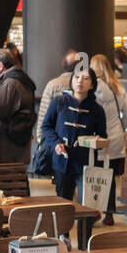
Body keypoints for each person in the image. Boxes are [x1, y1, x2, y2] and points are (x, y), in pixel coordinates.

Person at [42, 63, 108, 208]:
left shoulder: (97, 110)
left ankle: (85, 231)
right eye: (77, 77)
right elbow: (46, 126)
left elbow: (102, 135)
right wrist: (56, 143)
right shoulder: (59, 102)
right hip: (62, 159)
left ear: (92, 85)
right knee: (63, 204)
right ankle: (62, 231)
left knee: (86, 204)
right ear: (71, 80)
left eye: (85, 79)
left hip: (86, 162)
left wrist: (97, 141)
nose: (80, 81)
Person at [90, 53, 127, 225]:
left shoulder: (94, 89)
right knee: (110, 176)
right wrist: (120, 127)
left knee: (95, 175)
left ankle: (94, 210)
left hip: (98, 138)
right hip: (116, 137)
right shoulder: (119, 87)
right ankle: (109, 213)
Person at [0, 48, 37, 164]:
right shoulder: (20, 78)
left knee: (10, 177)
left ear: (0, 66)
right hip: (18, 141)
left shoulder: (10, 83)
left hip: (8, 144)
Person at [32, 49, 83, 177]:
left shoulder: (53, 85)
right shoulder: (85, 86)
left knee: (61, 179)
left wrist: (41, 138)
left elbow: (43, 114)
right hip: (79, 141)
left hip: (56, 140)